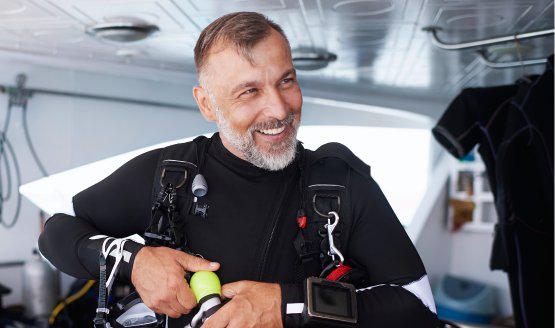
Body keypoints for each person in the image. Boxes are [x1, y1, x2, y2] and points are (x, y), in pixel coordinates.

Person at [39, 11, 438, 328]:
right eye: (250, 91)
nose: (280, 110)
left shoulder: (340, 186)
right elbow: (58, 231)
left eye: (286, 80)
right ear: (207, 104)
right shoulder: (167, 175)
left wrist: (286, 306)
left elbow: (417, 305)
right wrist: (136, 259)